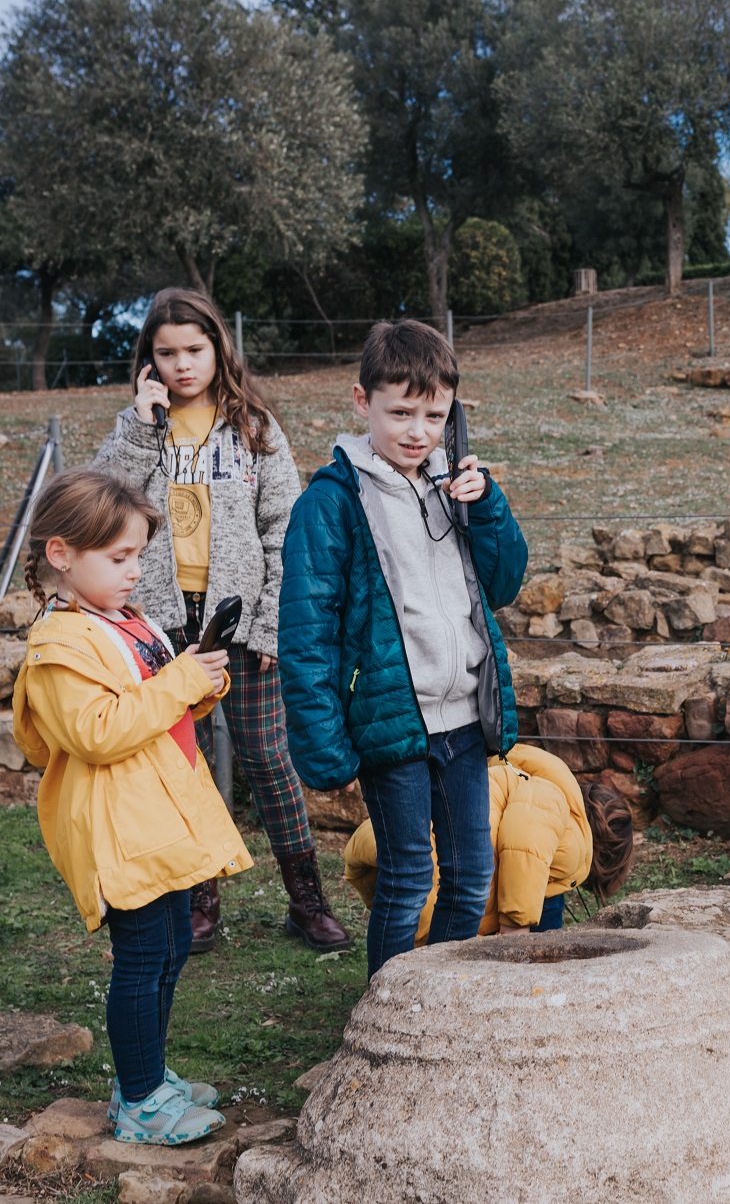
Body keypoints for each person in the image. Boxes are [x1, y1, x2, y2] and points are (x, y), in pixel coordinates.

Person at [92, 287, 348, 953]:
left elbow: (285, 530)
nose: (182, 364)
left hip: (241, 627)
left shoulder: (255, 427)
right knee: (188, 765)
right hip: (163, 630)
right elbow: (101, 505)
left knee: (268, 758)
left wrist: (270, 625)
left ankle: (307, 899)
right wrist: (144, 429)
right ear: (148, 359)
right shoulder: (135, 429)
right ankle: (200, 901)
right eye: (166, 352)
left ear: (218, 349)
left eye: (194, 350)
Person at [278, 319, 529, 980]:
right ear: (362, 402)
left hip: (464, 721)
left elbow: (504, 583)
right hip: (394, 723)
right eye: (401, 412)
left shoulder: (458, 490)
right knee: (408, 877)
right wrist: (326, 746)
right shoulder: (332, 503)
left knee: (473, 877)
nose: (419, 430)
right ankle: (386, 1012)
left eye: (435, 415)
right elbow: (307, 631)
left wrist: (492, 507)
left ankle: (439, 1000)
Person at [10, 467, 250, 1146]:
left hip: (160, 816)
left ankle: (144, 1075)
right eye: (118, 557)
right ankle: (142, 1102)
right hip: (122, 829)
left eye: (139, 555)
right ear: (62, 554)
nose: (134, 571)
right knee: (143, 960)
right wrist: (177, 680)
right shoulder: (58, 647)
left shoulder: (126, 621)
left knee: (172, 949)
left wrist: (200, 679)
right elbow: (96, 729)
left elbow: (158, 700)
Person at [343, 747, 638, 941]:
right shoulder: (565, 819)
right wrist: (516, 926)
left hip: (390, 847)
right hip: (436, 873)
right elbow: (525, 838)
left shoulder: (524, 779)